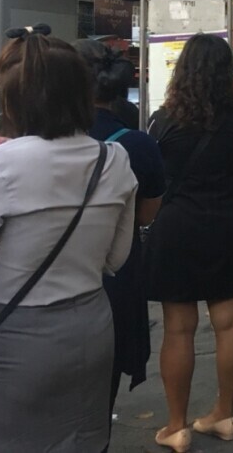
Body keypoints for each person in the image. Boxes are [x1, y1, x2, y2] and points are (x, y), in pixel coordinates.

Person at [0, 29, 137, 452]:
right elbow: (116, 258)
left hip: (14, 333)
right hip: (91, 323)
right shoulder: (114, 159)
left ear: (15, 99)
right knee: (83, 439)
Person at [144, 33, 233, 452]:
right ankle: (223, 415)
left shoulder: (162, 120)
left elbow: (152, 183)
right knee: (229, 323)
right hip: (225, 225)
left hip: (175, 227)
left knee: (178, 329)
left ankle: (176, 426)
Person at [74, 39, 166, 436]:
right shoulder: (137, 145)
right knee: (100, 392)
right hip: (114, 280)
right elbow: (146, 213)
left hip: (39, 284)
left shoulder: (29, 147)